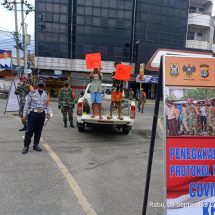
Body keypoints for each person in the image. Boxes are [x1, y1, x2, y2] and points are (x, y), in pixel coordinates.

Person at [22, 79, 51, 154]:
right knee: (29, 131)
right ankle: (26, 146)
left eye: (42, 85)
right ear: (37, 85)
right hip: (33, 114)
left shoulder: (46, 94)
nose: (41, 86)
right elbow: (27, 104)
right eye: (40, 85)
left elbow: (47, 104)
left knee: (38, 131)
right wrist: (24, 115)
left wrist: (48, 113)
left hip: (41, 114)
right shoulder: (32, 93)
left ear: (44, 86)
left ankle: (35, 145)